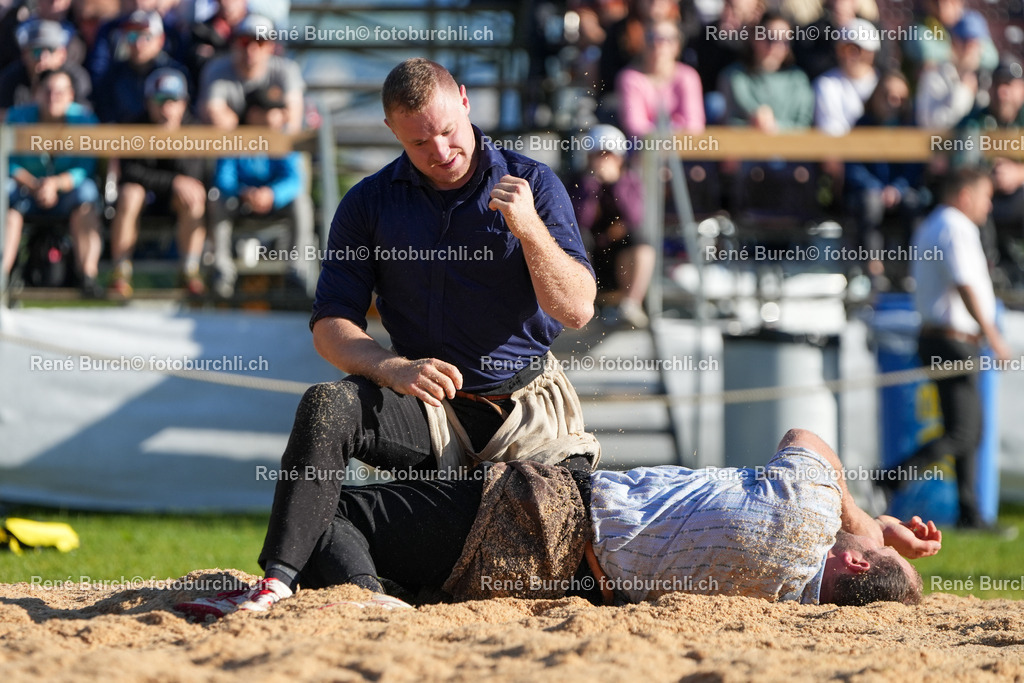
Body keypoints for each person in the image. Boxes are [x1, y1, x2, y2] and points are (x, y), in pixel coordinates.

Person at [176, 58, 599, 614]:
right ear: (393, 134)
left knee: (563, 547)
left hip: (528, 415)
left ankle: (383, 588)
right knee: (326, 407)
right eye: (421, 141)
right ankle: (286, 586)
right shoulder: (368, 202)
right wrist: (390, 368)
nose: (442, 150)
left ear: (467, 104)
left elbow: (577, 310)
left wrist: (530, 231)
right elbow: (331, 328)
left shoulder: (533, 183)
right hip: (428, 402)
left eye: (449, 131)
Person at [177, 428, 941, 617]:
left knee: (331, 507)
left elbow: (808, 440)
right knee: (400, 553)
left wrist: (870, 523)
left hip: (548, 515)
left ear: (848, 563)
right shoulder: (784, 610)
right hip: (560, 588)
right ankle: (382, 593)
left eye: (861, 552)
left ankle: (369, 601)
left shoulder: (806, 511)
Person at [892, 167, 1013, 530]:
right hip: (952, 340)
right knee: (964, 431)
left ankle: (969, 512)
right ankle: (891, 478)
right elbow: (964, 282)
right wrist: (992, 334)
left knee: (966, 429)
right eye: (985, 196)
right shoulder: (954, 226)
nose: (989, 205)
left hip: (944, 338)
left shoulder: (935, 224)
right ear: (965, 196)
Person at [108, 67, 207, 298]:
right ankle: (120, 272)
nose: (166, 108)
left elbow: (194, 175)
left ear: (184, 103)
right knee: (129, 193)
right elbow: (130, 172)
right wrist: (173, 181)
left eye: (173, 100)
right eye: (160, 100)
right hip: (144, 197)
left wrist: (172, 137)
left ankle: (190, 271)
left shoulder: (195, 129)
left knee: (194, 197)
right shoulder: (134, 126)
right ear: (148, 102)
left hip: (177, 201)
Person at [207, 86, 315, 298]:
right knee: (217, 199)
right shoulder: (234, 138)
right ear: (253, 114)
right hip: (240, 202)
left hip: (275, 203)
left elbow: (295, 180)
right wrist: (245, 193)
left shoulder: (284, 140)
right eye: (269, 110)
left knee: (301, 202)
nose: (277, 116)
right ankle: (222, 271)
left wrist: (271, 194)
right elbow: (223, 179)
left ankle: (297, 271)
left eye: (277, 110)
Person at [3, 68, 102, 295]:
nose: (52, 97)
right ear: (36, 93)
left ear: (70, 95)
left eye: (60, 92)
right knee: (4, 198)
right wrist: (34, 184)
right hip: (24, 190)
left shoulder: (85, 121)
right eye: (47, 91)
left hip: (68, 191)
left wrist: (54, 184)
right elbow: (6, 162)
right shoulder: (17, 118)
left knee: (88, 194)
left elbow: (86, 166)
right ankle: (2, 275)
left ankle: (88, 275)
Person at [844, 70, 930, 287]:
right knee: (869, 203)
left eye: (900, 98)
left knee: (914, 204)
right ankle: (874, 267)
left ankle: (912, 269)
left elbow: (914, 169)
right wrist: (876, 188)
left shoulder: (910, 129)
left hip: (900, 191)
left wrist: (897, 189)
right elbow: (853, 166)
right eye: (888, 96)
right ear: (876, 96)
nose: (893, 103)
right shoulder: (861, 127)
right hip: (870, 192)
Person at [570, 124, 654, 328]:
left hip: (620, 259)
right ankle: (578, 305)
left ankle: (630, 305)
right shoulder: (577, 183)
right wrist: (592, 186)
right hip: (591, 256)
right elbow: (581, 220)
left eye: (608, 155)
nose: (603, 160)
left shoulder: (631, 181)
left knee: (640, 243)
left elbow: (634, 218)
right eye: (598, 154)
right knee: (577, 239)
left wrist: (616, 184)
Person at [956, 59, 1024, 287]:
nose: (1003, 92)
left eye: (1009, 85)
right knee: (971, 201)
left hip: (1019, 198)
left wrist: (1018, 173)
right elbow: (961, 164)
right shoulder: (975, 121)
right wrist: (988, 177)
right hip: (986, 199)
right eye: (998, 85)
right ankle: (987, 272)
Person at [197, 13, 304, 134]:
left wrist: (272, 120)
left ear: (271, 46)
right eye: (245, 41)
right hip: (229, 147)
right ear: (234, 44)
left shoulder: (286, 70)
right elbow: (214, 115)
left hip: (274, 147)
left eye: (260, 41)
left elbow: (293, 122)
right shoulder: (216, 70)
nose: (251, 49)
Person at [615, 18, 705, 137]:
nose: (658, 44)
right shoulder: (629, 78)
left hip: (684, 147)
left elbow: (694, 124)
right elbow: (634, 125)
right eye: (651, 38)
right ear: (643, 44)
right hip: (643, 148)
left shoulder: (688, 77)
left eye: (666, 39)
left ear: (677, 46)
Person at [94, 10, 188, 123]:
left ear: (161, 39)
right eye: (132, 36)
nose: (138, 44)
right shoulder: (113, 76)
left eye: (146, 37)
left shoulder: (176, 75)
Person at [0, 19, 91, 116]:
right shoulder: (10, 79)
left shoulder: (76, 78)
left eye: (50, 50)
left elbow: (84, 117)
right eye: (36, 51)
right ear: (24, 54)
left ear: (62, 54)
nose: (43, 58)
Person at [914, 12, 986, 130]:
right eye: (964, 41)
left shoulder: (988, 78)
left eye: (974, 43)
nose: (970, 49)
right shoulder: (934, 76)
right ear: (953, 43)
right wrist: (963, 92)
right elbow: (928, 124)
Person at [812, 18, 879, 136]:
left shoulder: (885, 85)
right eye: (850, 49)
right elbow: (830, 132)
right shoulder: (827, 85)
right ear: (839, 50)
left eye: (864, 51)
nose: (856, 56)